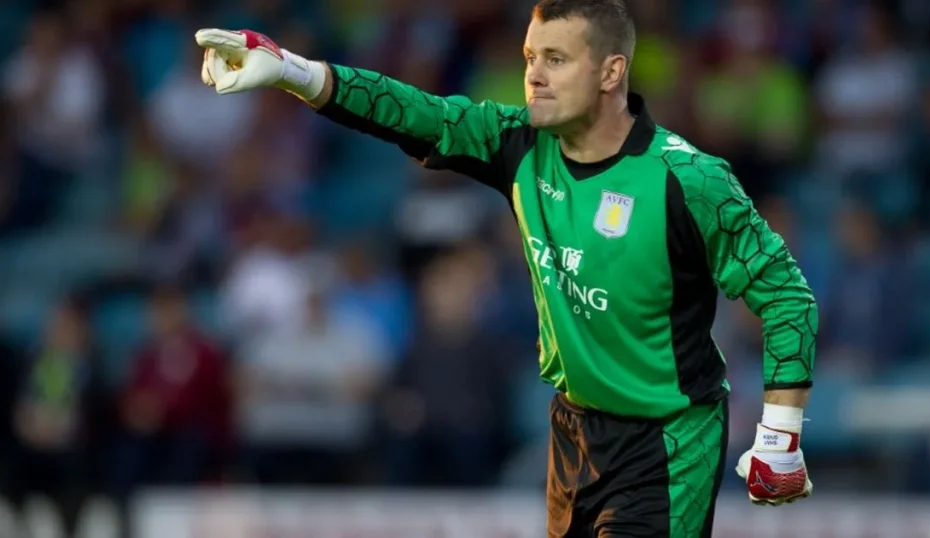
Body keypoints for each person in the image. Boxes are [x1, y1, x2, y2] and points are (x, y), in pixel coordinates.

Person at [194, 0, 818, 535]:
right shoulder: (516, 143)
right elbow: (412, 113)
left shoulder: (689, 179)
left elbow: (787, 294)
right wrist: (292, 72)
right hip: (573, 433)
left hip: (668, 441)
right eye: (528, 58)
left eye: (556, 59)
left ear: (611, 71)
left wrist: (781, 433)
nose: (534, 77)